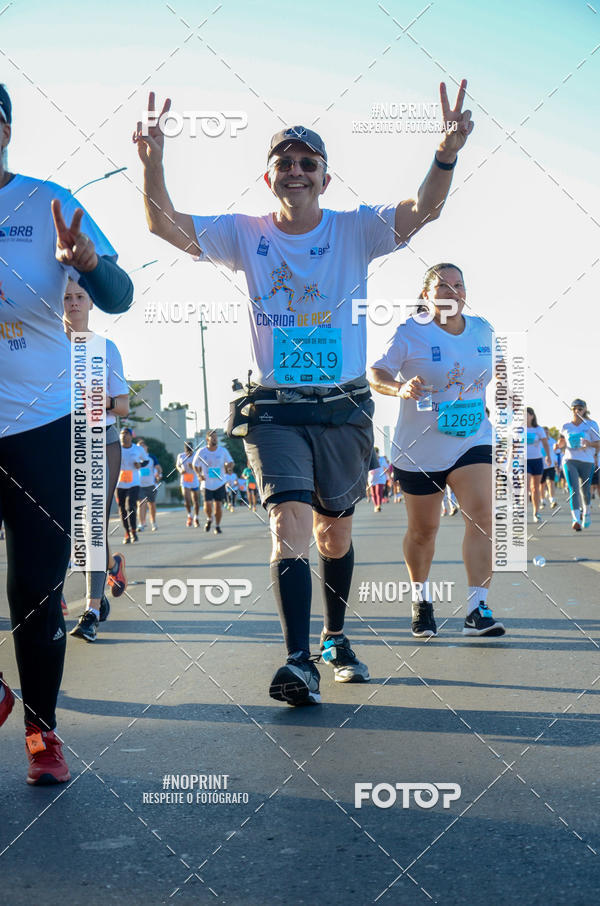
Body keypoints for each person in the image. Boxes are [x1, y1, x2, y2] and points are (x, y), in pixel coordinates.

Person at [134, 80, 474, 703]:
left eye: (306, 163)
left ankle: (335, 636)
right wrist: (153, 166)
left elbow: (423, 209)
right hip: (276, 410)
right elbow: (163, 225)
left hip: (343, 409)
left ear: (324, 177)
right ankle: (297, 662)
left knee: (333, 536)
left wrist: (445, 153)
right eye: (283, 163)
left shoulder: (356, 230)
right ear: (269, 179)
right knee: (288, 524)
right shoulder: (245, 233)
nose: (295, 171)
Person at [0, 83, 133, 783]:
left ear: (7, 129)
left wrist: (86, 262)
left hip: (42, 426)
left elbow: (119, 295)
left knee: (35, 590)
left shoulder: (47, 200)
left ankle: (42, 733)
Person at [370, 263, 505, 638]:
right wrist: (399, 388)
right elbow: (376, 373)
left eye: (458, 285)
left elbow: (498, 371)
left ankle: (477, 608)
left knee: (483, 515)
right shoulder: (410, 332)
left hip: (471, 438)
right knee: (423, 530)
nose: (452, 291)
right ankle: (421, 599)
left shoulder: (483, 330)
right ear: (427, 296)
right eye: (443, 286)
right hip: (420, 447)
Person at [62, 279, 129, 642]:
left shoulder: (106, 348)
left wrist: (92, 399)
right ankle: (108, 572)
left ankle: (90, 611)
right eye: (67, 297)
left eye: (79, 297)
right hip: (58, 443)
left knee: (93, 526)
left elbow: (123, 405)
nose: (73, 303)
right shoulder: (47, 347)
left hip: (102, 442)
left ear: (91, 303)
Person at [556, 399, 600, 530]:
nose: (577, 411)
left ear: (585, 410)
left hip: (587, 461)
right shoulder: (566, 426)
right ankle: (576, 519)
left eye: (580, 408)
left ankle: (586, 512)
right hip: (570, 460)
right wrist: (558, 445)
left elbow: (598, 443)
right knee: (573, 489)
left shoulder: (591, 424)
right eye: (574, 409)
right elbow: (561, 442)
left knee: (585, 491)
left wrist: (589, 444)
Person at [192, 430, 233, 534]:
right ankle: (209, 518)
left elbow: (230, 462)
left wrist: (229, 468)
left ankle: (217, 526)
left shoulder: (222, 451)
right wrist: (199, 475)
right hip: (206, 483)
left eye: (216, 437)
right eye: (212, 437)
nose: (215, 439)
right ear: (207, 439)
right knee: (208, 504)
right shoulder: (201, 451)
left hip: (220, 482)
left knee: (218, 505)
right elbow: (194, 465)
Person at [116, 428, 146, 543]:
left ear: (131, 436)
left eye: (126, 434)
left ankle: (133, 530)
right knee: (122, 509)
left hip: (134, 482)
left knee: (130, 506)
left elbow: (146, 461)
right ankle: (127, 532)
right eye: (122, 434)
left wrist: (139, 464)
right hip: (120, 483)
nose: (123, 436)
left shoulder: (137, 449)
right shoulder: (116, 448)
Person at [526, 408, 551, 523]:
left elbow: (545, 443)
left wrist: (548, 456)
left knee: (535, 488)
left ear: (532, 416)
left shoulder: (538, 429)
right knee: (525, 487)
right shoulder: (518, 429)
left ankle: (536, 513)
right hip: (524, 461)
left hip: (537, 460)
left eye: (526, 415)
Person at [137, 439, 161, 531]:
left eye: (143, 445)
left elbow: (158, 468)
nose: (141, 447)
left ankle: (153, 522)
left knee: (152, 504)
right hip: (139, 485)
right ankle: (141, 523)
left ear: (146, 447)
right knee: (141, 504)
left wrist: (158, 474)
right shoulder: (135, 457)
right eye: (139, 446)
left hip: (151, 484)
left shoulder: (151, 457)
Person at [176, 441, 200, 527]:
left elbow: (200, 467)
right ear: (185, 450)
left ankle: (196, 518)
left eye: (190, 451)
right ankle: (189, 515)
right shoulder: (181, 456)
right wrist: (180, 470)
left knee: (196, 500)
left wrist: (193, 467)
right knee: (187, 499)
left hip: (194, 479)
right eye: (187, 451)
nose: (189, 453)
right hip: (185, 479)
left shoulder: (196, 456)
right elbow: (178, 465)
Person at [541, 427, 558, 509]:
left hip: (550, 466)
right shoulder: (539, 441)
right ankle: (542, 500)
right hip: (541, 466)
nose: (546, 433)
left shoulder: (552, 441)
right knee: (542, 485)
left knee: (550, 482)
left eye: (547, 432)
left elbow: (556, 452)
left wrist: (556, 463)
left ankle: (552, 500)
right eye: (544, 432)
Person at [368, 447, 387, 513]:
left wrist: (388, 477)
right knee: (373, 493)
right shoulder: (369, 459)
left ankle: (378, 506)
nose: (375, 454)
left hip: (380, 478)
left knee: (378, 492)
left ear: (377, 453)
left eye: (376, 452)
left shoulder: (382, 459)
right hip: (371, 479)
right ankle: (375, 505)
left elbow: (386, 468)